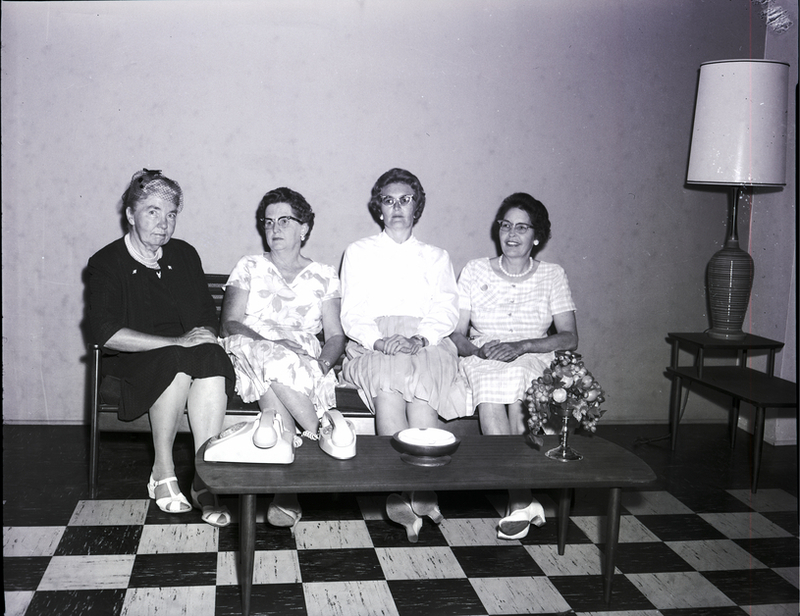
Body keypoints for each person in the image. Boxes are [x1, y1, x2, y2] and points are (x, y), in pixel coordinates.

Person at [87, 169, 234, 528]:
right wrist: (176, 342)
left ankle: (204, 477)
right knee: (177, 359)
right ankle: (162, 470)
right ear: (130, 214)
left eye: (171, 214)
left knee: (211, 356)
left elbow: (206, 316)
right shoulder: (107, 262)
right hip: (131, 363)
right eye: (152, 211)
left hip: (182, 354)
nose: (163, 223)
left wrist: (205, 335)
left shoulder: (184, 255)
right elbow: (105, 333)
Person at [340, 168, 466, 542]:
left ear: (417, 207)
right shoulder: (359, 252)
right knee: (389, 386)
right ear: (378, 208)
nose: (397, 207)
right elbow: (352, 312)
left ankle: (419, 490)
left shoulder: (436, 256)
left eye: (405, 199)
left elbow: (446, 309)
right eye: (388, 200)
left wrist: (420, 338)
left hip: (425, 340)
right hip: (375, 340)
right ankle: (400, 487)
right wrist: (378, 341)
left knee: (423, 389)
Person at [450, 192, 578, 540]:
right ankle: (521, 499)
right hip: (485, 354)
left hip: (531, 353)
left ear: (537, 236)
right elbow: (457, 334)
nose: (511, 234)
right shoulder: (475, 270)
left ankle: (519, 500)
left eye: (522, 227)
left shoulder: (552, 275)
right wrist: (479, 351)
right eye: (506, 225)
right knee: (491, 391)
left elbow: (569, 337)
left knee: (523, 383)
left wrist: (522, 346)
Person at [220, 187, 346, 534]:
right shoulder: (249, 265)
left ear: (304, 228)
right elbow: (230, 323)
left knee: (275, 387)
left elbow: (336, 336)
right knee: (272, 359)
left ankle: (286, 491)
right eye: (268, 221)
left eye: (284, 221)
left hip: (303, 358)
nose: (274, 228)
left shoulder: (324, 274)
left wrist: (321, 365)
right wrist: (273, 342)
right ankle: (322, 430)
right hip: (252, 345)